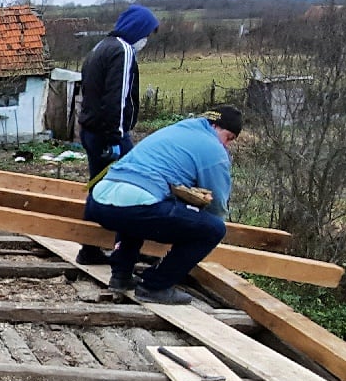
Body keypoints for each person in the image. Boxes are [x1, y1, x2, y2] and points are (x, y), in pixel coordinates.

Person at [82, 105, 243, 305]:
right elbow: (217, 204)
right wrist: (203, 227)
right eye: (229, 138)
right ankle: (154, 286)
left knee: (139, 211)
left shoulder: (175, 130)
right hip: (137, 203)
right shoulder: (213, 149)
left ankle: (121, 276)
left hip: (98, 201)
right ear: (216, 126)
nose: (226, 145)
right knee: (213, 229)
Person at [75, 4, 161, 264]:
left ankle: (89, 248)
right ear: (138, 30)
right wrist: (115, 137)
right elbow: (117, 98)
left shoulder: (99, 48)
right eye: (147, 33)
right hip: (108, 135)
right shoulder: (122, 51)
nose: (147, 40)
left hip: (91, 131)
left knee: (100, 190)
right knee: (132, 189)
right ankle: (126, 251)